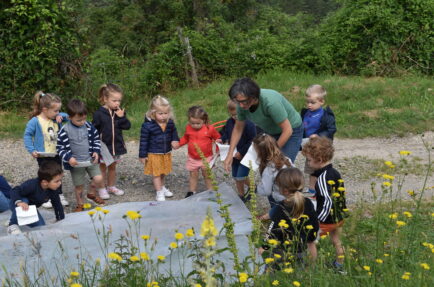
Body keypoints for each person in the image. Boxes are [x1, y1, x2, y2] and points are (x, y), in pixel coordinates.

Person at [224, 78, 303, 173]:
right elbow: (238, 129)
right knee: (267, 165)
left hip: (292, 130)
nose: (240, 106)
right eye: (237, 102)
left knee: (283, 166)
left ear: (253, 96)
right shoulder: (241, 105)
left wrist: (273, 152)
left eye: (243, 101)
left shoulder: (270, 103)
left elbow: (287, 130)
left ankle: (288, 185)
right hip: (271, 131)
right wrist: (230, 154)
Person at [302, 137, 347, 273]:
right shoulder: (334, 173)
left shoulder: (322, 179)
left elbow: (327, 200)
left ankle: (309, 269)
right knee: (336, 240)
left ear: (319, 160)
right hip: (339, 216)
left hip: (326, 219)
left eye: (309, 160)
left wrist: (317, 219)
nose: (308, 163)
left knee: (309, 241)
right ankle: (339, 266)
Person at [259, 168, 318, 268]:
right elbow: (314, 224)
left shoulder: (280, 208)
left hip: (283, 250)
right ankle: (311, 270)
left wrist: (264, 246)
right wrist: (311, 238)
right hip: (303, 249)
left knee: (271, 270)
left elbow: (272, 231)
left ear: (284, 190)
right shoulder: (308, 203)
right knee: (301, 270)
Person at [57, 99, 106, 211]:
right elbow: (60, 148)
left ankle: (91, 194)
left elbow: (96, 140)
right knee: (79, 186)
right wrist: (69, 158)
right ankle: (80, 204)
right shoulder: (65, 130)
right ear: (69, 118)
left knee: (98, 178)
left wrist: (96, 151)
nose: (82, 122)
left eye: (84, 119)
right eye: (79, 120)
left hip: (91, 160)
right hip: (76, 163)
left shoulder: (89, 126)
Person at [23, 91, 69, 208]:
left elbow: (67, 116)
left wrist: (60, 115)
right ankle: (46, 196)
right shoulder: (35, 121)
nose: (57, 113)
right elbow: (27, 135)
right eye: (55, 111)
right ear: (44, 109)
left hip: (56, 153)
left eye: (58, 110)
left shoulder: (56, 118)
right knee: (46, 175)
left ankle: (59, 194)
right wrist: (31, 149)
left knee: (58, 173)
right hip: (43, 155)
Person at [92, 83, 131, 199]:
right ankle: (101, 188)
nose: (117, 103)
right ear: (105, 99)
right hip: (104, 147)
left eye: (119, 101)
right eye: (114, 101)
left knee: (113, 167)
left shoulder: (119, 112)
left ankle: (111, 186)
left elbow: (127, 126)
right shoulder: (98, 114)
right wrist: (94, 147)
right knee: (102, 168)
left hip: (116, 146)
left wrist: (121, 117)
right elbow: (94, 130)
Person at [139, 95, 180, 201]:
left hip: (165, 152)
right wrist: (142, 155)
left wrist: (175, 140)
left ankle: (162, 187)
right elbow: (143, 141)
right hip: (153, 153)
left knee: (163, 172)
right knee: (156, 173)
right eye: (160, 113)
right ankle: (159, 192)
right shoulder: (147, 126)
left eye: (166, 113)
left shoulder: (169, 123)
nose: (163, 116)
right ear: (153, 113)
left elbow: (173, 132)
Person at [7, 161, 65, 235]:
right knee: (25, 200)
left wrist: (60, 219)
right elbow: (14, 190)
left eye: (60, 180)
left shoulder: (52, 190)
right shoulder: (32, 184)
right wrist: (19, 202)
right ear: (45, 182)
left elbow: (57, 204)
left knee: (41, 227)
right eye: (57, 181)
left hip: (31, 209)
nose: (60, 183)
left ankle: (19, 218)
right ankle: (12, 225)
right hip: (16, 204)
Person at [178, 106, 221, 198]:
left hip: (207, 157)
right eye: (192, 123)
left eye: (198, 123)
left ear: (204, 120)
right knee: (193, 175)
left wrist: (218, 149)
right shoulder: (188, 128)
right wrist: (179, 144)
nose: (195, 126)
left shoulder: (209, 129)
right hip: (193, 157)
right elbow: (186, 138)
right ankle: (191, 191)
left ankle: (211, 191)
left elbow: (217, 138)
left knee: (207, 175)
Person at [301, 84, 336, 195]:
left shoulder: (325, 115)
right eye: (307, 102)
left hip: (320, 145)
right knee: (311, 166)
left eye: (312, 102)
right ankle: (312, 189)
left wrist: (319, 135)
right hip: (309, 144)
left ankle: (318, 188)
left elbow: (331, 129)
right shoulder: (305, 113)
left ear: (321, 102)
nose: (309, 105)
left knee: (319, 166)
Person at [220, 100, 256, 201]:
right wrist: (222, 139)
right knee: (236, 176)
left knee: (241, 176)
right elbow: (225, 133)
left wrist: (242, 152)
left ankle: (253, 187)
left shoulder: (249, 124)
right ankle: (241, 194)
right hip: (234, 155)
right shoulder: (229, 122)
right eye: (232, 115)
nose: (235, 117)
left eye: (236, 115)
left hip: (246, 155)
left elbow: (253, 141)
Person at [254, 134, 293, 219]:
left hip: (280, 197)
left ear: (261, 153)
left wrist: (256, 188)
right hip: (292, 194)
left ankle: (276, 217)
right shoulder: (286, 159)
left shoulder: (269, 169)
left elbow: (266, 191)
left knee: (279, 211)